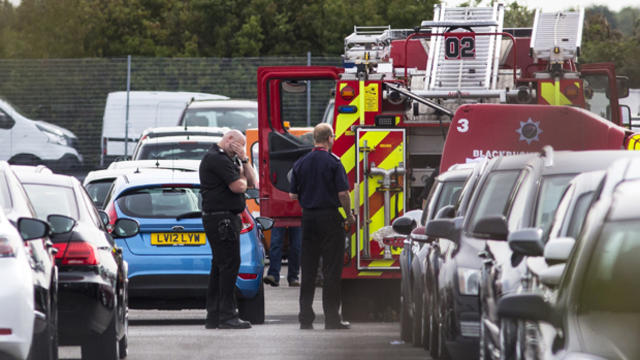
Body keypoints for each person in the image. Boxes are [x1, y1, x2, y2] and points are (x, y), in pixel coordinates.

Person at [289, 123, 355, 330]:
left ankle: (305, 318)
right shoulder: (334, 162)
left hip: (308, 219)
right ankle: (332, 319)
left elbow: (293, 195)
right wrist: (349, 215)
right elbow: (343, 193)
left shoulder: (301, 163)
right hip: (329, 219)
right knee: (331, 270)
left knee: (307, 270)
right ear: (330, 139)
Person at [200, 129, 257, 329]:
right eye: (239, 145)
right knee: (230, 265)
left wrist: (245, 160)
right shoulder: (217, 158)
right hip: (221, 219)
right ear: (229, 139)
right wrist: (240, 173)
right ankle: (227, 315)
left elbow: (252, 183)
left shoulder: (230, 159)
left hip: (224, 217)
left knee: (220, 266)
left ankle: (214, 315)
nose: (239, 151)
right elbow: (238, 187)